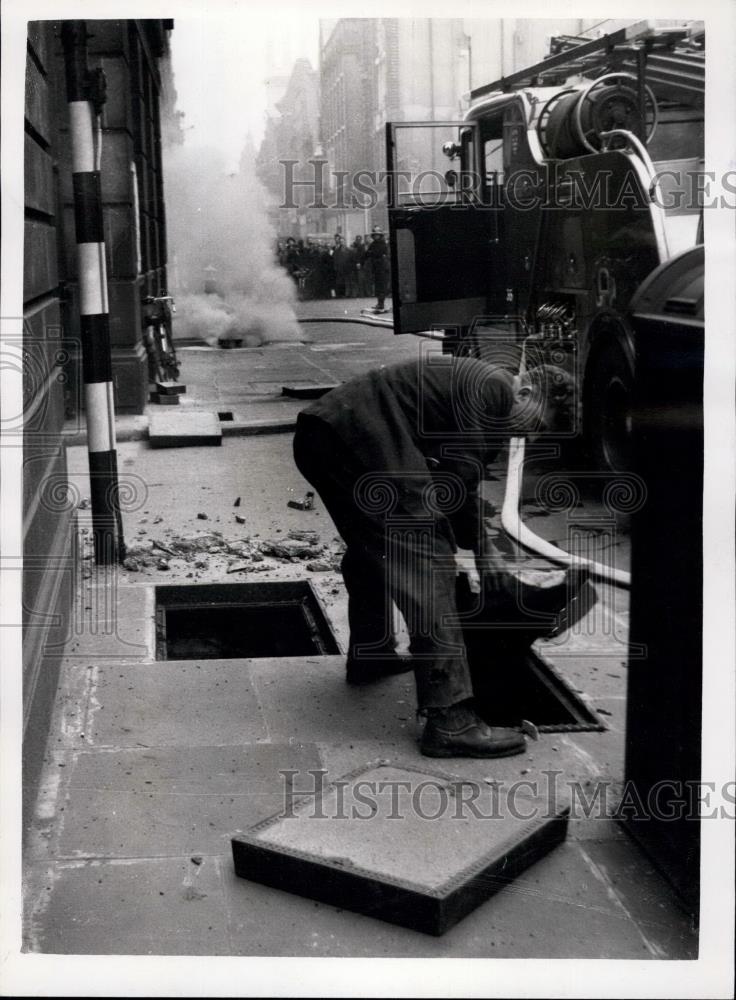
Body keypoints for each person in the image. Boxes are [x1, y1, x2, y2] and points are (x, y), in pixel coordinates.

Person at [293, 356, 576, 758]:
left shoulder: (475, 386)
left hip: (322, 433)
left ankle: (371, 654)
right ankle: (451, 720)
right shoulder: (494, 388)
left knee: (373, 546)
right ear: (527, 392)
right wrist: (483, 552)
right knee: (427, 556)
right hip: (357, 436)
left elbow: (449, 484)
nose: (531, 436)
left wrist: (480, 546)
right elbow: (456, 480)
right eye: (539, 424)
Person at [365, 225, 389, 312]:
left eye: (377, 235)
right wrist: (371, 253)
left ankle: (381, 303)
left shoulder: (382, 243)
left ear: (380, 235)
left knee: (381, 285)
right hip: (376, 267)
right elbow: (367, 253)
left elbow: (378, 252)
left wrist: (372, 253)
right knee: (378, 286)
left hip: (382, 268)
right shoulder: (373, 244)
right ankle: (379, 303)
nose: (376, 236)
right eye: (375, 235)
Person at [331, 234, 350, 298]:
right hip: (337, 267)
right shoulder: (334, 248)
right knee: (337, 281)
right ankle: (338, 294)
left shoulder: (345, 249)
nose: (337, 240)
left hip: (343, 267)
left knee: (343, 281)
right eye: (336, 239)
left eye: (338, 239)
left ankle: (343, 293)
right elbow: (332, 256)